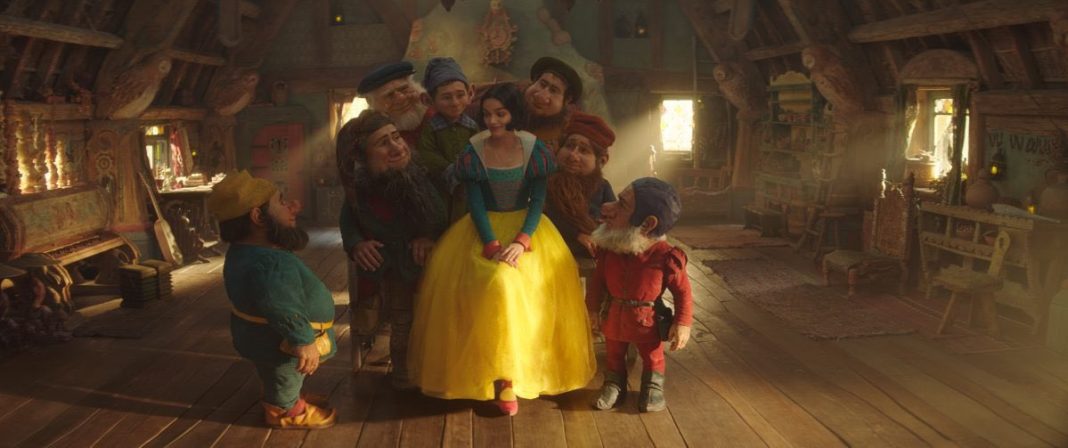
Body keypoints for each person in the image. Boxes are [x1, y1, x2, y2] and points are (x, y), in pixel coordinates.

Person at [408, 83, 595, 416]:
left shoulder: (534, 149)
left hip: (529, 229)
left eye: (501, 114)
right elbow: (476, 203)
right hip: (482, 230)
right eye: (487, 114)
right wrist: (491, 243)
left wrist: (522, 241)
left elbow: (537, 201)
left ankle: (513, 377)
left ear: (514, 114)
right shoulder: (474, 150)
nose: (492, 121)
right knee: (493, 284)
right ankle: (491, 376)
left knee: (516, 285)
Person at [207, 170, 336, 429]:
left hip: (259, 334)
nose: (293, 207)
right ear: (258, 217)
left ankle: (287, 395)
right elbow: (283, 307)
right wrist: (302, 340)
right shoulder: (269, 264)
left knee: (276, 372)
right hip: (279, 340)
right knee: (284, 370)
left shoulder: (245, 251)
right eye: (281, 202)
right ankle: (285, 410)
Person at [336, 110, 446, 388]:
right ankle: (404, 371)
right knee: (402, 318)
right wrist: (356, 243)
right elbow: (349, 218)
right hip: (394, 266)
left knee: (430, 317)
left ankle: (435, 370)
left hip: (430, 264)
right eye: (383, 143)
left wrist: (429, 236)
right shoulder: (361, 190)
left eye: (396, 137)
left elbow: (442, 213)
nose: (397, 147)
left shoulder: (421, 175)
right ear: (364, 157)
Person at [586, 177, 693, 413]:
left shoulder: (666, 256)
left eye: (622, 204)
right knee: (614, 353)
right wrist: (591, 310)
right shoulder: (610, 250)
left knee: (652, 355)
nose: (606, 208)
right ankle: (614, 383)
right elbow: (597, 284)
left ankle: (653, 386)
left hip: (646, 321)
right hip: (614, 315)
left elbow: (683, 291)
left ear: (647, 224)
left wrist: (683, 323)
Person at [545, 111, 616, 259]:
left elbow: (614, 222)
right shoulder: (546, 183)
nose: (573, 155)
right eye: (569, 146)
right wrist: (577, 234)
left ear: (602, 160)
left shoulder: (602, 187)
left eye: (583, 150)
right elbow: (543, 217)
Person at [417, 57, 478, 222]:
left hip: (469, 189)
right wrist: (451, 169)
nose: (455, 103)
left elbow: (479, 150)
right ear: (430, 100)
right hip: (441, 188)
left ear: (470, 93)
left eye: (460, 95)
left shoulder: (472, 127)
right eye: (446, 97)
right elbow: (427, 154)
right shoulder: (431, 129)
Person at [358, 61, 433, 148]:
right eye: (389, 95)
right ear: (372, 103)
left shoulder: (441, 113)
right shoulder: (373, 141)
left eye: (404, 89)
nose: (401, 98)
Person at [524, 56, 583, 152]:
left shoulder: (564, 138)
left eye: (553, 90)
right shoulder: (504, 106)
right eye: (542, 84)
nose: (541, 96)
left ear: (567, 100)